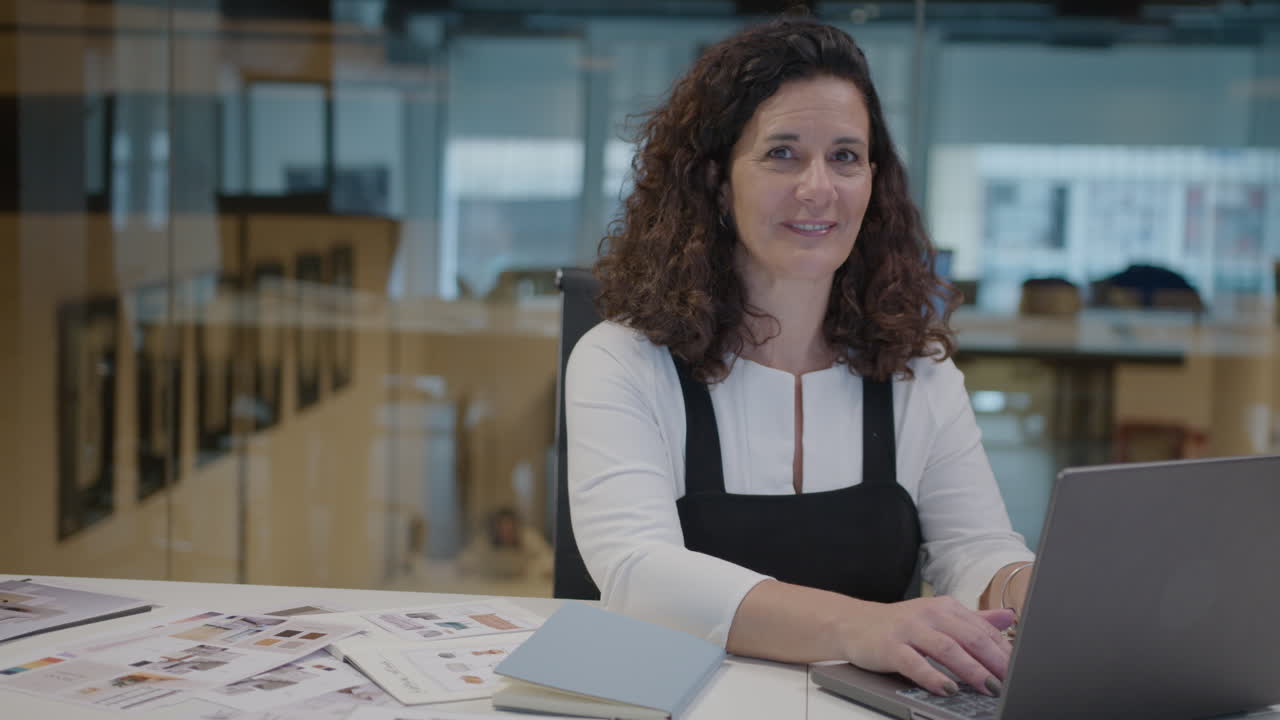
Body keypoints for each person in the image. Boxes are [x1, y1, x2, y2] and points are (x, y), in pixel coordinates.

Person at [565, 16, 1036, 699]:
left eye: (845, 156)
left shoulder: (917, 371)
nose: (820, 188)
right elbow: (641, 573)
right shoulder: (622, 360)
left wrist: (1030, 588)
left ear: (874, 180)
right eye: (783, 153)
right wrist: (861, 628)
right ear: (717, 183)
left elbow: (973, 549)